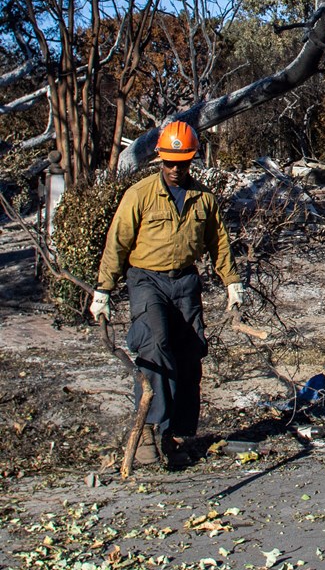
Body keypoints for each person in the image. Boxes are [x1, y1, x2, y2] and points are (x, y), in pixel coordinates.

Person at [89, 122, 243, 468]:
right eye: (170, 162)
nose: (176, 169)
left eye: (183, 162)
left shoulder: (204, 198)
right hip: (147, 281)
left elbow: (219, 244)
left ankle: (177, 434)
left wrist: (232, 283)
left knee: (189, 355)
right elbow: (118, 243)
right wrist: (104, 290)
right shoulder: (139, 194)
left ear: (192, 160)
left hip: (185, 282)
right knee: (154, 347)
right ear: (159, 159)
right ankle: (148, 431)